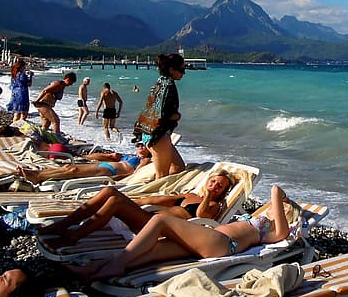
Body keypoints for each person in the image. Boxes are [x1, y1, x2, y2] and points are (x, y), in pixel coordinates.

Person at [71, 184, 291, 281]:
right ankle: (94, 268)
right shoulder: (259, 221)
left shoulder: (270, 230)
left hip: (223, 243)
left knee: (160, 219)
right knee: (153, 250)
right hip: (208, 240)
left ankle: (117, 263)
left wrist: (279, 197)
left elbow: (281, 231)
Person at [41, 169, 235, 246]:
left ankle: (74, 236)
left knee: (115, 202)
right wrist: (132, 202)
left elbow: (202, 216)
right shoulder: (189, 195)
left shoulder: (214, 205)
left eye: (220, 186)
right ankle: (65, 224)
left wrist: (209, 195)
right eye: (213, 181)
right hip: (147, 218)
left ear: (222, 191)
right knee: (110, 192)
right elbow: (157, 199)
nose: (215, 186)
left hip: (159, 229)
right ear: (208, 179)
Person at [134, 53, 186, 179]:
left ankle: (159, 190)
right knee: (162, 175)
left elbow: (152, 108)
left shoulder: (159, 82)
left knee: (178, 167)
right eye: (182, 69)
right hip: (158, 135)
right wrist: (176, 116)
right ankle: (154, 194)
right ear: (171, 70)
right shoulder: (168, 86)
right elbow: (161, 114)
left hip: (148, 131)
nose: (184, 73)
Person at [17, 142, 152, 185]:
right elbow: (104, 156)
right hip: (104, 165)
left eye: (143, 146)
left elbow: (136, 174)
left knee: (73, 172)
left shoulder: (144, 160)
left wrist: (118, 180)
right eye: (138, 145)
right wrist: (86, 157)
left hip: (111, 172)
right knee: (68, 167)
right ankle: (37, 174)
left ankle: (38, 177)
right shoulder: (128, 155)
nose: (140, 147)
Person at [33, 72, 77, 137]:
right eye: (71, 82)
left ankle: (41, 136)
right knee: (56, 121)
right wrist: (37, 100)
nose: (71, 84)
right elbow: (45, 91)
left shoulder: (62, 86)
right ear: (67, 79)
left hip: (47, 105)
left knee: (47, 123)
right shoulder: (58, 84)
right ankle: (57, 138)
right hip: (43, 104)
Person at [6, 59, 33, 124]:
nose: (24, 68)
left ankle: (13, 126)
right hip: (22, 94)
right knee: (24, 113)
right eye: (24, 66)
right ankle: (19, 126)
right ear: (22, 66)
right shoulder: (22, 74)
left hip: (15, 94)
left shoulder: (14, 74)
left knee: (16, 112)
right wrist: (30, 76)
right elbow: (29, 84)